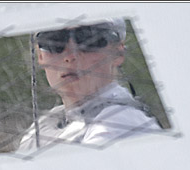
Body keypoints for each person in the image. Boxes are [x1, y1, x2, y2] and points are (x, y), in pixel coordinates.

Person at [18, 19, 161, 151]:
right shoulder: (44, 125)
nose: (70, 56)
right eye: (54, 42)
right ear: (40, 57)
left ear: (117, 53)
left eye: (88, 39)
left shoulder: (124, 123)